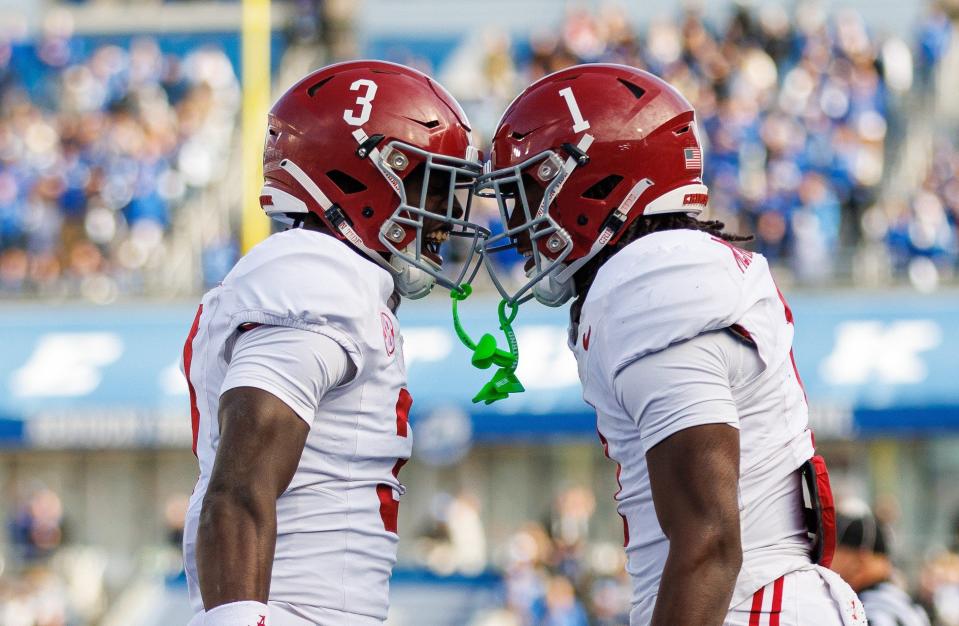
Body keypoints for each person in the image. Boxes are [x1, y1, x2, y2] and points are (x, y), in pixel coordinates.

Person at [475, 63, 864, 625]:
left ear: (598, 182)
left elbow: (708, 540)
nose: (520, 221)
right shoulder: (670, 267)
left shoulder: (652, 278)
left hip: (744, 605)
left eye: (533, 190)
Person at [181, 60, 486, 626]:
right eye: (434, 186)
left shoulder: (344, 280)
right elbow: (239, 488)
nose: (444, 217)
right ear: (362, 178)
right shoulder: (314, 272)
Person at [831, 500, 931, 626]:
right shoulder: (900, 601)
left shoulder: (871, 610)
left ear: (860, 558)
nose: (826, 561)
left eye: (834, 551)